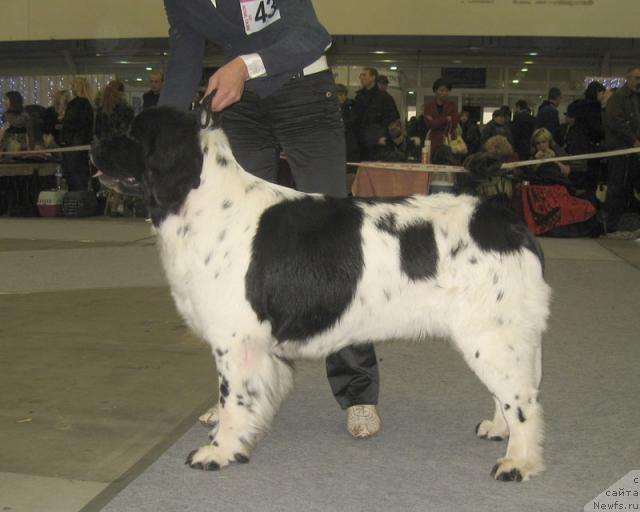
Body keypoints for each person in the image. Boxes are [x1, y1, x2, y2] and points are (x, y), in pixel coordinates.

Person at [159, 0, 381, 438]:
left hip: (303, 93)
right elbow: (184, 58)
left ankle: (358, 393)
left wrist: (242, 65)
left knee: (334, 244)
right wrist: (156, 130)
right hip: (241, 106)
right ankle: (243, 388)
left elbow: (312, 36)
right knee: (239, 257)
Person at [602, 66, 640, 234]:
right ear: (628, 78)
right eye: (637, 78)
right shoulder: (617, 98)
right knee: (617, 186)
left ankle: (626, 224)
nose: (639, 82)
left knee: (630, 188)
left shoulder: (636, 98)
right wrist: (633, 140)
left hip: (633, 152)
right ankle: (611, 225)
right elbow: (616, 123)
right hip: (620, 150)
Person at [354, 67, 399, 160]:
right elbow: (356, 119)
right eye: (361, 75)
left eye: (364, 75)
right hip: (361, 143)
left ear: (373, 77)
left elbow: (392, 119)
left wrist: (384, 137)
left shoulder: (384, 98)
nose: (361, 77)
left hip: (378, 144)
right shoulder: (359, 97)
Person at [60, 77, 94, 191]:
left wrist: (64, 122)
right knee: (77, 170)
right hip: (78, 141)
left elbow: (75, 122)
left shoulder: (79, 103)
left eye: (73, 85)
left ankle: (77, 195)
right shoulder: (86, 104)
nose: (71, 88)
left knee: (74, 170)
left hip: (75, 141)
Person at [423, 78, 459, 153]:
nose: (445, 93)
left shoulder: (452, 106)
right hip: (434, 141)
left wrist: (435, 121)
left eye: (447, 91)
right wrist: (446, 119)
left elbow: (454, 124)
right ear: (435, 91)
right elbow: (430, 124)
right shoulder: (428, 107)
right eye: (442, 90)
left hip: (449, 140)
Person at [336, 83, 360, 164]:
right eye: (340, 94)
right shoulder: (328, 109)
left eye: (345, 94)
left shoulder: (351, 107)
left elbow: (352, 122)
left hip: (349, 144)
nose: (343, 97)